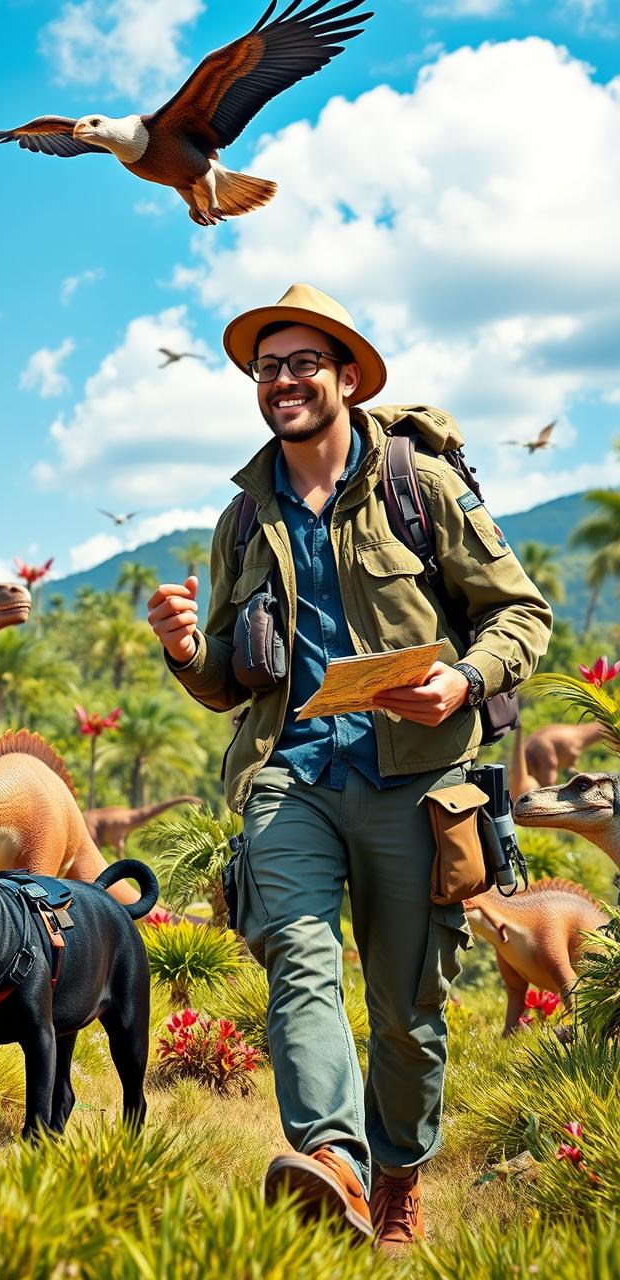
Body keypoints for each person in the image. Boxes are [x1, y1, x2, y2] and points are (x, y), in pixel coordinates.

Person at [146, 283, 552, 1251]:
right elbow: (227, 680)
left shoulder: (421, 487)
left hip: (417, 783)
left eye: (300, 364)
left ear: (344, 376)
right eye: (266, 367)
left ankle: (398, 1171)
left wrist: (459, 678)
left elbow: (522, 615)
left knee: (407, 1005)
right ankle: (331, 1154)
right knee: (297, 954)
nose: (281, 381)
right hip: (290, 776)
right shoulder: (243, 519)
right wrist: (180, 650)